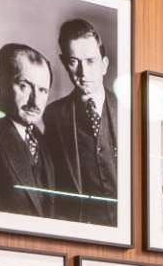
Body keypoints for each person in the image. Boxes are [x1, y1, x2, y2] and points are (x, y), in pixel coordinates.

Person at [41, 16, 118, 225]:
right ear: (65, 63)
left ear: (104, 65)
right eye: (75, 62)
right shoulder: (54, 116)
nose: (83, 73)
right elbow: (50, 183)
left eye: (91, 61)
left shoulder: (129, 110)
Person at [0, 43, 55, 219]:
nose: (35, 101)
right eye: (24, 86)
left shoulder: (42, 139)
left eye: (42, 90)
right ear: (1, 84)